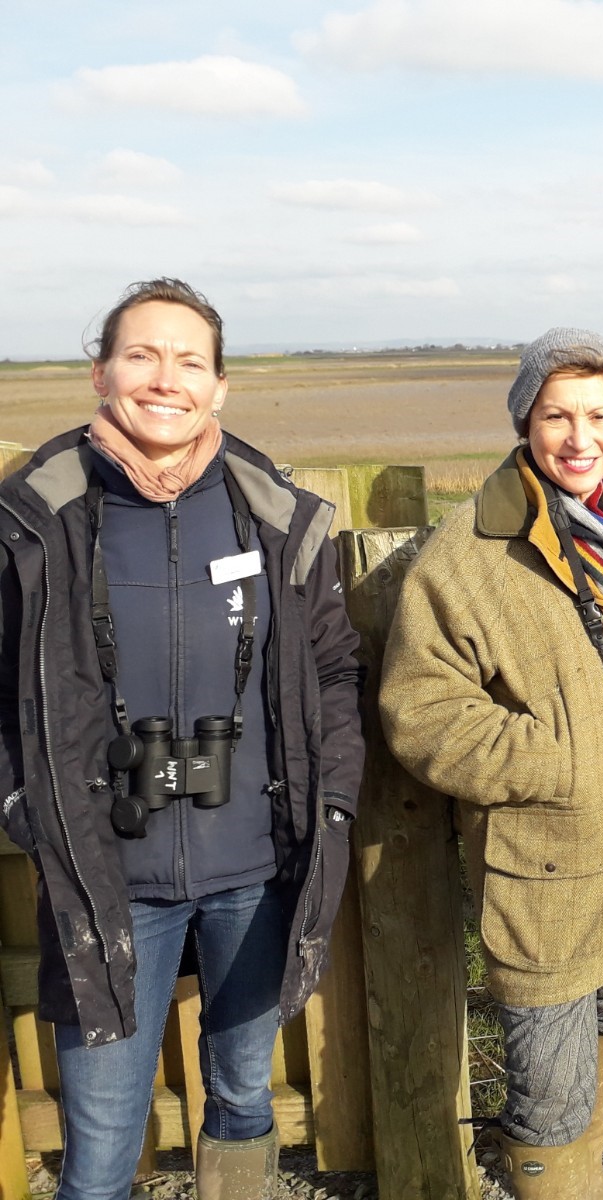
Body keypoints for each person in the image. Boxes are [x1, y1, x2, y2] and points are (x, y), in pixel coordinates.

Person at [0, 278, 365, 1199]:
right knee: (101, 1143)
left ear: (220, 387)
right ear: (101, 373)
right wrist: (22, 805)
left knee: (245, 1099)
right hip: (103, 877)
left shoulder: (275, 518)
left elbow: (330, 674)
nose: (166, 378)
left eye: (189, 360)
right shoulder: (34, 523)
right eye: (142, 355)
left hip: (254, 864)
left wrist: (331, 800)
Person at [380, 327, 603, 1200]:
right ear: (525, 421)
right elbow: (421, 711)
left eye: (600, 415)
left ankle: (588, 1174)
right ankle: (551, 1182)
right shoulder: (472, 552)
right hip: (549, 858)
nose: (581, 437)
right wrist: (561, 761)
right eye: (557, 415)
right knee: (549, 1074)